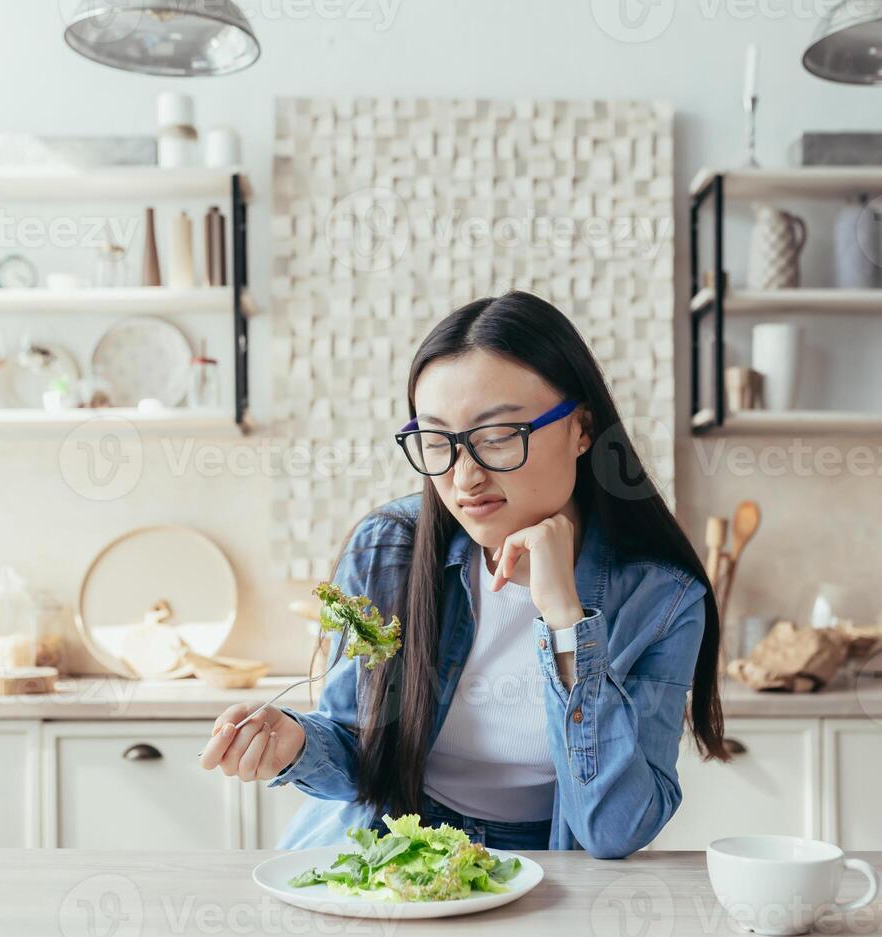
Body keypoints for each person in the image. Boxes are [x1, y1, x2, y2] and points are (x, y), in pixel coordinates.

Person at [199, 290, 726, 859]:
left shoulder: (662, 597)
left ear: (582, 428)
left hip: (550, 867)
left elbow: (614, 830)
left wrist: (566, 622)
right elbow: (358, 754)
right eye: (437, 441)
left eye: (498, 436)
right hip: (389, 852)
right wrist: (297, 744)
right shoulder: (388, 550)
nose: (464, 476)